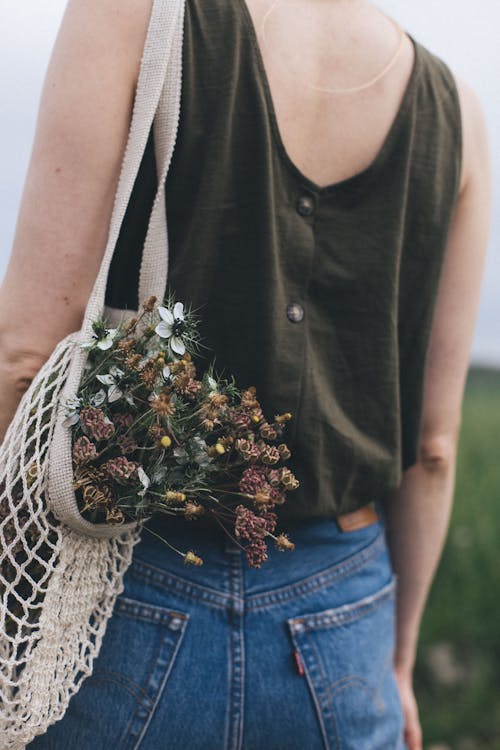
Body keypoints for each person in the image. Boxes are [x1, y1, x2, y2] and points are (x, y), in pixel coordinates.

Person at [0, 0, 490, 748]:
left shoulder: (129, 11)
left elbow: (24, 357)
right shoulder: (457, 113)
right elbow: (434, 445)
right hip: (344, 622)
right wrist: (396, 659)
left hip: (118, 596)